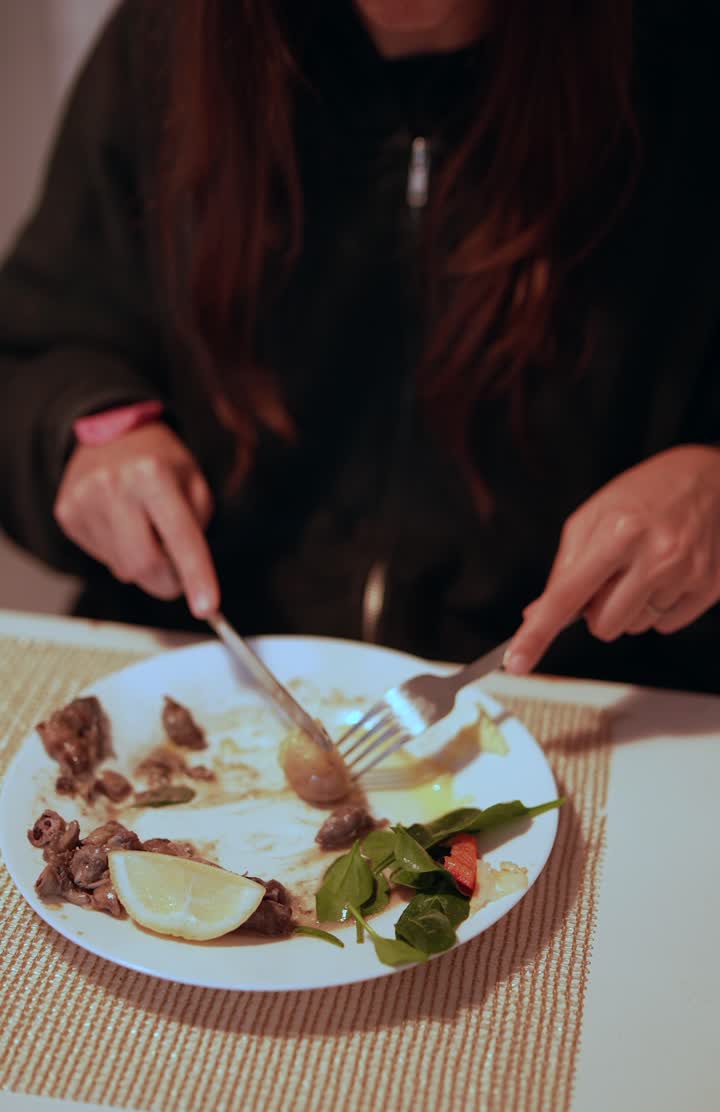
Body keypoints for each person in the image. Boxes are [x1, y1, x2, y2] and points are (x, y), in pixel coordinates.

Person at [0, 0, 718, 693]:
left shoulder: (684, 58)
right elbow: (35, 352)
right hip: (201, 671)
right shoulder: (177, 37)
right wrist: (89, 431)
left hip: (579, 692)